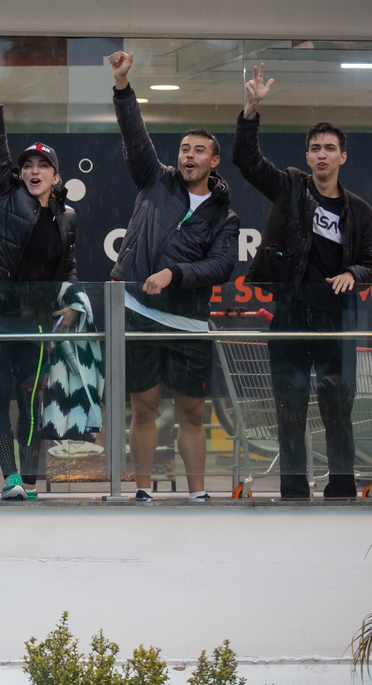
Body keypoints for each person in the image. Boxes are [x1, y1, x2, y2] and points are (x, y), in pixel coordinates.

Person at [234, 63, 372, 500]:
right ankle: (294, 490)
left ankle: (342, 488)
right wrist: (250, 110)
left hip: (337, 317)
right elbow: (247, 161)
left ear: (343, 156)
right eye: (315, 148)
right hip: (292, 313)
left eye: (330, 148)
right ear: (308, 155)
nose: (321, 154)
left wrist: (352, 273)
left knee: (338, 407)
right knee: (290, 406)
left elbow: (370, 264)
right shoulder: (290, 188)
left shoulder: (361, 211)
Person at [107, 51, 240, 502]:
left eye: (199, 150)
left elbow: (221, 267)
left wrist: (174, 273)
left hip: (188, 322)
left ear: (214, 161)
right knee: (143, 409)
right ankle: (143, 491)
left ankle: (198, 495)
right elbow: (134, 135)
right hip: (140, 315)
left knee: (193, 413)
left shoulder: (225, 216)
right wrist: (123, 86)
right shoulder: (155, 180)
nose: (189, 156)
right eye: (184, 148)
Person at [0, 70, 82, 501]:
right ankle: (10, 477)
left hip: (36, 322)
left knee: (31, 402)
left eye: (42, 166)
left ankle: (28, 483)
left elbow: (68, 269)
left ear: (55, 176)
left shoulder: (66, 219)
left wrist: (74, 306)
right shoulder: (4, 195)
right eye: (28, 165)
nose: (34, 171)